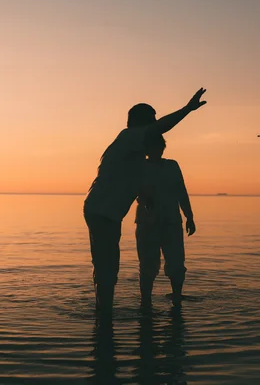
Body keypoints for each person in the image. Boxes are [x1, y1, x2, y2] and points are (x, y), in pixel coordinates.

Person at [83, 88, 207, 314]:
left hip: (105, 212)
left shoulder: (135, 151)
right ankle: (104, 317)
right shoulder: (129, 136)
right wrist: (188, 109)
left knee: (107, 266)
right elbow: (160, 128)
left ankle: (104, 314)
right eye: (151, 120)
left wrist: (145, 195)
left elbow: (125, 176)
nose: (155, 123)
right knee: (107, 267)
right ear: (140, 122)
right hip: (102, 212)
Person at [135, 134, 195, 307]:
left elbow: (181, 191)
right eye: (153, 147)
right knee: (148, 264)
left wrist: (189, 216)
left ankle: (177, 296)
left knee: (176, 262)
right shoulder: (140, 167)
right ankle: (145, 300)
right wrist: (144, 198)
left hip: (171, 222)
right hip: (147, 223)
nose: (156, 151)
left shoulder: (172, 166)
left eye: (159, 147)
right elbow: (133, 189)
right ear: (146, 150)